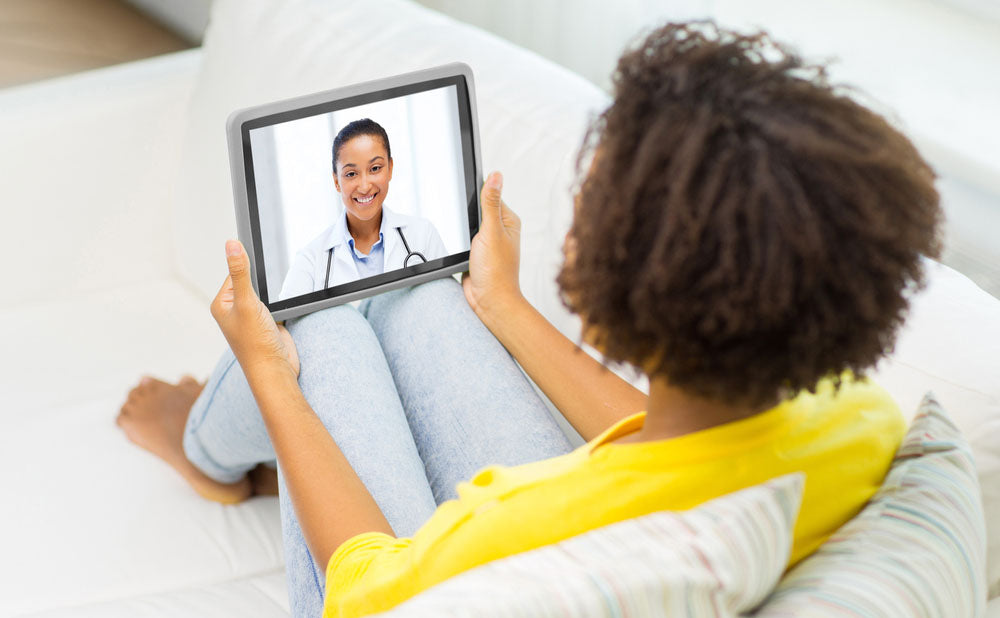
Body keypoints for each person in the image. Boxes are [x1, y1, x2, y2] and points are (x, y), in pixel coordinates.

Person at [115, 22, 942, 618]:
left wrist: (271, 380)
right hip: (609, 502)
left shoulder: (521, 531)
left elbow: (364, 586)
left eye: (595, 197)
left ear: (613, 305)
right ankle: (239, 445)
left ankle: (208, 448)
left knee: (317, 326)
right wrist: (501, 304)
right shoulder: (855, 419)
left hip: (411, 585)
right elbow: (684, 438)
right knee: (417, 288)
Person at [278, 118, 447, 301]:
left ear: (390, 168)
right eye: (351, 174)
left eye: (375, 168)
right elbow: (282, 325)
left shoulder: (423, 234)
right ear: (336, 182)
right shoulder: (311, 259)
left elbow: (446, 303)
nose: (365, 186)